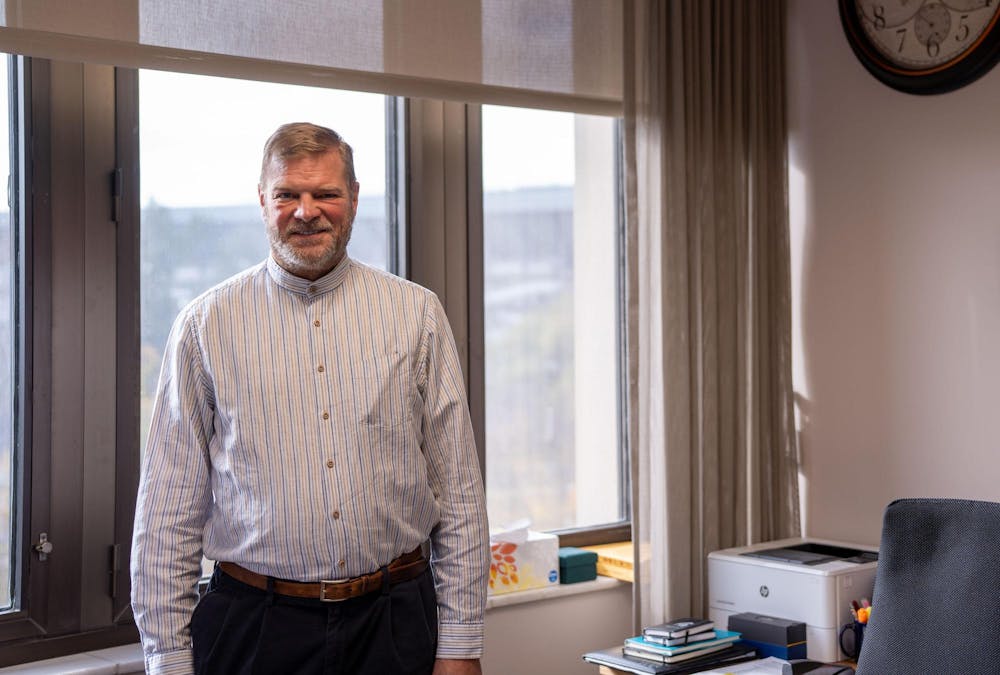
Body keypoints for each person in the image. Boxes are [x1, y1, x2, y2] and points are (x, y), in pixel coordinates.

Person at [131, 122, 490, 675]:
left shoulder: (417, 316)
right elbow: (167, 513)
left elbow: (459, 493)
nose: (306, 211)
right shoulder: (204, 327)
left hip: (395, 625)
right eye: (287, 195)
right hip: (255, 629)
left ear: (352, 199)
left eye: (325, 193)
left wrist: (461, 645)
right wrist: (169, 661)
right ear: (262, 201)